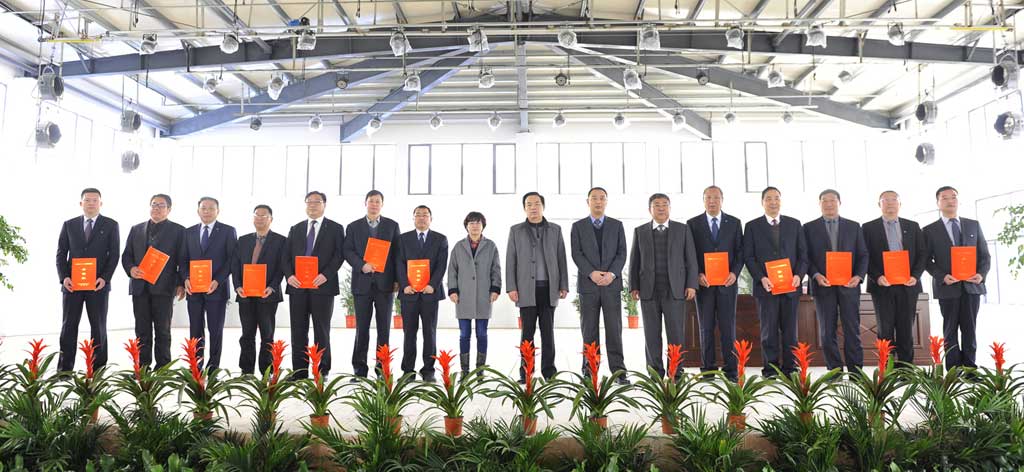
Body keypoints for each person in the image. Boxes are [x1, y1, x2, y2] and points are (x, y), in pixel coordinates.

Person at [629, 193, 698, 378]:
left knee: (676, 335)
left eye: (664, 204)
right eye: (656, 205)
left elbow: (691, 259)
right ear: (649, 209)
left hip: (675, 290)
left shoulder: (682, 230)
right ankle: (655, 372)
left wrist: (691, 284)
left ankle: (676, 372)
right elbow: (635, 261)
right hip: (648, 290)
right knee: (651, 334)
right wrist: (634, 286)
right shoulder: (640, 231)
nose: (661, 208)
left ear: (669, 207)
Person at [923, 186, 991, 370]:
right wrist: (942, 276)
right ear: (938, 203)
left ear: (958, 201)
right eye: (944, 198)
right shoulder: (929, 230)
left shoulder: (973, 225)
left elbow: (985, 256)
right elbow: (926, 260)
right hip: (947, 286)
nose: (950, 201)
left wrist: (981, 275)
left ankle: (970, 367)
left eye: (953, 197)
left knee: (970, 329)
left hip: (972, 286)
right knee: (950, 329)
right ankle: (953, 369)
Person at [743, 186, 808, 377]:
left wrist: (798, 276)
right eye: (769, 199)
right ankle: (770, 369)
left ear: (781, 201)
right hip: (766, 287)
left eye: (776, 198)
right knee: (768, 331)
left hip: (790, 287)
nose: (773, 202)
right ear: (762, 202)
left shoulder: (794, 224)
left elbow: (803, 255)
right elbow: (749, 257)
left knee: (790, 332)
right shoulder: (752, 226)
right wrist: (761, 278)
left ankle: (790, 368)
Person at [803, 189, 868, 373]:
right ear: (819, 204)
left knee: (852, 329)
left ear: (839, 203)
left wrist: (858, 276)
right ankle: (834, 370)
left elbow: (863, 254)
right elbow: (805, 256)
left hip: (849, 285)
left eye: (832, 200)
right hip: (823, 286)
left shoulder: (854, 226)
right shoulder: (808, 227)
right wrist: (816, 275)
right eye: (825, 201)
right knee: (826, 331)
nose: (829, 204)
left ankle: (856, 371)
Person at [56, 187, 120, 372]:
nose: (91, 203)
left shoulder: (111, 225)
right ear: (81, 203)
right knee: (68, 326)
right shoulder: (69, 225)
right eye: (87, 200)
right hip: (72, 285)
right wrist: (64, 278)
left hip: (98, 285)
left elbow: (114, 255)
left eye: (95, 200)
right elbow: (61, 254)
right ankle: (64, 370)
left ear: (101, 203)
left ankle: (98, 369)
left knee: (98, 327)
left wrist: (104, 278)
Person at [507, 192, 569, 382]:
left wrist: (563, 285)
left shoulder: (555, 230)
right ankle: (526, 372)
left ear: (543, 206)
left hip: (549, 289)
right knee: (527, 333)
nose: (533, 207)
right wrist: (511, 287)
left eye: (536, 204)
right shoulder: (516, 230)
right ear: (524, 208)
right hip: (526, 289)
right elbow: (511, 260)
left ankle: (549, 372)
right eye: (529, 204)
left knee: (548, 332)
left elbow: (561, 258)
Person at [282, 191, 345, 379]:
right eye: (309, 202)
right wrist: (289, 276)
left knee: (321, 330)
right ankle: (299, 371)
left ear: (324, 204)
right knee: (298, 330)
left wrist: (326, 275)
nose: (312, 205)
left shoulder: (335, 228)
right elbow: (285, 256)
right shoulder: (296, 228)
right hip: (298, 287)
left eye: (317, 202)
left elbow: (339, 255)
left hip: (323, 287)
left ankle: (322, 370)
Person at [862, 190, 927, 365]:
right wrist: (877, 276)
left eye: (894, 200)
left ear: (900, 204)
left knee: (906, 329)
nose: (890, 203)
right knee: (885, 330)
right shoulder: (868, 228)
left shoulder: (912, 226)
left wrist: (915, 276)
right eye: (885, 200)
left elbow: (922, 253)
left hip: (908, 285)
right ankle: (887, 368)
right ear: (879, 204)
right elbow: (864, 256)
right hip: (882, 285)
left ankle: (906, 368)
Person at [571, 187, 629, 383]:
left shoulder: (617, 225)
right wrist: (592, 273)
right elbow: (577, 254)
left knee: (614, 330)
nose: (598, 201)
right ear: (587, 202)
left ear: (606, 201)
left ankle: (619, 372)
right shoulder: (578, 227)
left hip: (611, 285)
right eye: (594, 198)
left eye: (602, 198)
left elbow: (622, 253)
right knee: (589, 330)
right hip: (589, 286)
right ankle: (589, 370)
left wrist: (611, 274)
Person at [121, 194, 186, 369]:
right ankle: (143, 366)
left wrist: (181, 283)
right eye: (154, 204)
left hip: (164, 288)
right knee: (141, 330)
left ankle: (163, 366)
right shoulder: (136, 229)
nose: (156, 208)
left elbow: (183, 259)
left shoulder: (179, 231)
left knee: (162, 330)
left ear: (169, 209)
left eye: (161, 205)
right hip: (140, 287)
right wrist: (131, 269)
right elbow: (126, 256)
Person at [343, 190, 401, 379]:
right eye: (371, 201)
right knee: (362, 328)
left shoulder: (392, 226)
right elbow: (347, 251)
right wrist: (362, 265)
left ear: (382, 204)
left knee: (384, 329)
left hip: (385, 284)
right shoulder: (353, 227)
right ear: (365, 203)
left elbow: (397, 255)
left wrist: (397, 280)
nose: (374, 204)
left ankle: (382, 369)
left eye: (377, 201)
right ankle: (359, 369)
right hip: (362, 284)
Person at [686, 186, 742, 381]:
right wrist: (697, 275)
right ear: (703, 200)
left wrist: (735, 273)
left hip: (727, 284)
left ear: (722, 200)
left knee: (728, 328)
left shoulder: (734, 223)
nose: (712, 201)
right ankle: (708, 370)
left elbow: (740, 252)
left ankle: (731, 370)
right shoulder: (692, 224)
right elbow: (689, 253)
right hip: (705, 285)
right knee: (706, 328)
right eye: (708, 197)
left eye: (716, 197)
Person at [180, 197, 238, 372]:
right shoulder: (188, 232)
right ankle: (196, 366)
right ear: (198, 210)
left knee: (215, 330)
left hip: (216, 289)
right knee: (195, 329)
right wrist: (186, 278)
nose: (207, 211)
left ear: (217, 211)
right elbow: (183, 259)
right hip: (194, 289)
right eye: (203, 208)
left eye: (211, 208)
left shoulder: (228, 231)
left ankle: (213, 366)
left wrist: (217, 280)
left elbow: (231, 260)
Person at [396, 205, 448, 382]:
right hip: (409, 293)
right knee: (409, 333)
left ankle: (428, 370)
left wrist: (433, 285)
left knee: (429, 333)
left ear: (431, 219)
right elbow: (399, 263)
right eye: (418, 215)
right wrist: (404, 285)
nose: (421, 218)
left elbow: (441, 265)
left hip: (430, 293)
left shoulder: (440, 239)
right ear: (413, 218)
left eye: (425, 215)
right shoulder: (403, 239)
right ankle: (408, 371)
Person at [232, 204, 286, 376]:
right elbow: (235, 265)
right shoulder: (243, 240)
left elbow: (282, 267)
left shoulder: (281, 241)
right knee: (247, 334)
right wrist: (237, 286)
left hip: (267, 294)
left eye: (264, 216)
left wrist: (272, 286)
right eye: (257, 215)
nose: (260, 218)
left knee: (267, 335)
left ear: (271, 219)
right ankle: (246, 369)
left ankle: (266, 369)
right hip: (245, 294)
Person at [447, 212, 501, 376]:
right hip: (463, 296)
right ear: (466, 226)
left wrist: (495, 289)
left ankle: (480, 369)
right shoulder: (459, 246)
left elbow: (496, 269)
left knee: (482, 333)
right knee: (464, 334)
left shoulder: (490, 246)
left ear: (483, 226)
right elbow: (452, 270)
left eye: (478, 223)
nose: (475, 226)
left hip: (484, 295)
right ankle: (465, 370)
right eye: (471, 223)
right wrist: (453, 290)